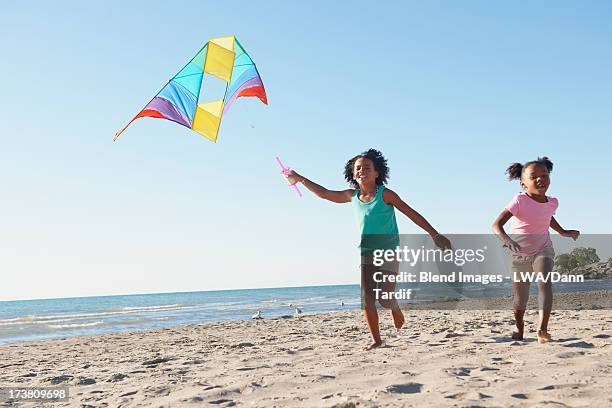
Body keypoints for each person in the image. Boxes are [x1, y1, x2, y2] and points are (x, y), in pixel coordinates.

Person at [284, 149, 450, 350]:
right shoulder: (351, 196)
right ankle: (376, 340)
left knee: (385, 298)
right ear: (353, 174)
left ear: (377, 173)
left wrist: (434, 234)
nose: (362, 170)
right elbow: (324, 193)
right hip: (367, 253)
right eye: (358, 168)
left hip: (389, 251)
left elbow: (411, 213)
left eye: (367, 167)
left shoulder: (386, 194)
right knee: (368, 298)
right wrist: (299, 178)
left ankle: (394, 307)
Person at [492, 157, 579, 343]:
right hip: (520, 253)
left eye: (544, 175)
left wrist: (563, 232)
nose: (540, 179)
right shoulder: (519, 200)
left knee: (544, 285)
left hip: (543, 249)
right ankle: (519, 326)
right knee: (519, 299)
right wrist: (506, 240)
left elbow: (547, 217)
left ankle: (542, 328)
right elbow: (496, 225)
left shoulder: (553, 202)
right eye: (534, 177)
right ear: (523, 183)